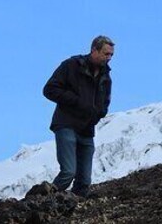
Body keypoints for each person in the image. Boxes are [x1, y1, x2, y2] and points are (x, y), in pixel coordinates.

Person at [43, 35, 115, 197]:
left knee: (84, 182)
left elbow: (105, 102)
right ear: (94, 50)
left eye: (111, 55)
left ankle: (70, 212)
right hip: (66, 124)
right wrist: (76, 101)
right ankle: (40, 201)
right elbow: (49, 89)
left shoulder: (106, 77)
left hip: (87, 130)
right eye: (105, 53)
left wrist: (99, 112)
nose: (109, 58)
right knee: (68, 172)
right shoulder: (71, 66)